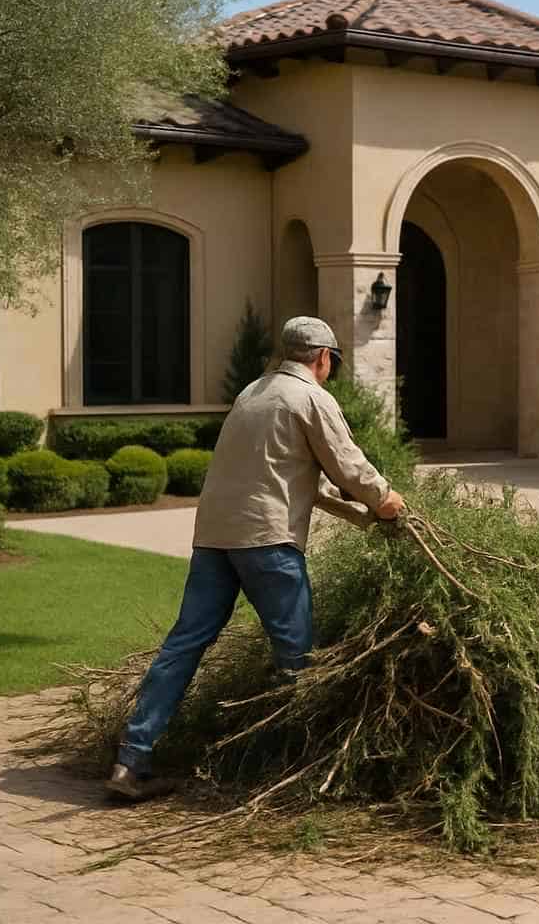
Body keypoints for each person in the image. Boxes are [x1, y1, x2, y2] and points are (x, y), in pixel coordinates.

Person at [106, 317, 406, 800]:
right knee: (299, 660)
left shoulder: (253, 394)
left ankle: (131, 761)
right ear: (324, 358)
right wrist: (386, 499)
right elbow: (348, 465)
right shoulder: (310, 398)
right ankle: (297, 773)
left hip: (215, 540)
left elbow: (303, 480)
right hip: (267, 543)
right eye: (333, 362)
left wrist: (366, 517)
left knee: (183, 647)